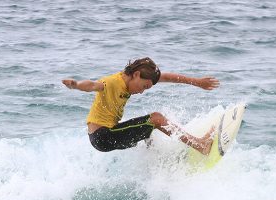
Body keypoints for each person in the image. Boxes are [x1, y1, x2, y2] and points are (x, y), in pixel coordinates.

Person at [62, 57, 220, 154]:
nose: (143, 91)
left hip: (106, 135)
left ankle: (161, 167)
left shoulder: (132, 80)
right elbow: (92, 86)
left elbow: (166, 77)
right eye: (144, 86)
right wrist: (76, 85)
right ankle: (200, 145)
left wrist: (197, 82)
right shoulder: (112, 82)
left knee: (149, 133)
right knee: (156, 119)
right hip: (103, 136)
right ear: (136, 74)